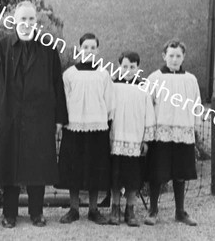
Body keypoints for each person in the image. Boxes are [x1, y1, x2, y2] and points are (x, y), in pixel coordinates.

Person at [0, 1, 68, 228]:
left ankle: (36, 212)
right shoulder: (0, 48)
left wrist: (59, 118)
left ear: (36, 22)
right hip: (8, 116)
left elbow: (57, 85)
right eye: (23, 19)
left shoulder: (48, 49)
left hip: (40, 118)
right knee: (9, 164)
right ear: (14, 20)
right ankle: (9, 213)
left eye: (31, 19)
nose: (27, 24)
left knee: (37, 165)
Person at [57, 33, 113, 225]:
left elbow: (109, 102)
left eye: (92, 47)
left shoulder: (104, 74)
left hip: (97, 129)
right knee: (74, 169)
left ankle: (93, 210)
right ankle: (73, 209)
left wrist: (108, 123)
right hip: (74, 128)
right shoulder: (69, 74)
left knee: (95, 169)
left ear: (97, 50)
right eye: (85, 47)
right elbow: (64, 99)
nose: (88, 51)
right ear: (79, 49)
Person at [145, 39, 200, 226]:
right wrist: (148, 130)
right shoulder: (154, 78)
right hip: (161, 132)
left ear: (183, 57)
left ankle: (180, 211)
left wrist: (195, 128)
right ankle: (153, 210)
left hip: (183, 132)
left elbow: (196, 105)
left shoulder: (190, 80)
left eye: (178, 56)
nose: (174, 59)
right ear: (164, 56)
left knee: (180, 171)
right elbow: (147, 105)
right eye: (171, 55)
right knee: (157, 171)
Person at [107, 51, 155, 226]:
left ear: (138, 68)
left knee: (133, 176)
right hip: (116, 138)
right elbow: (107, 111)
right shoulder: (112, 86)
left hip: (135, 139)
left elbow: (149, 115)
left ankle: (130, 209)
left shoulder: (143, 88)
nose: (128, 70)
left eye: (132, 67)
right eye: (125, 66)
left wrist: (146, 140)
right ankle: (115, 208)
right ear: (119, 66)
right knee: (115, 175)